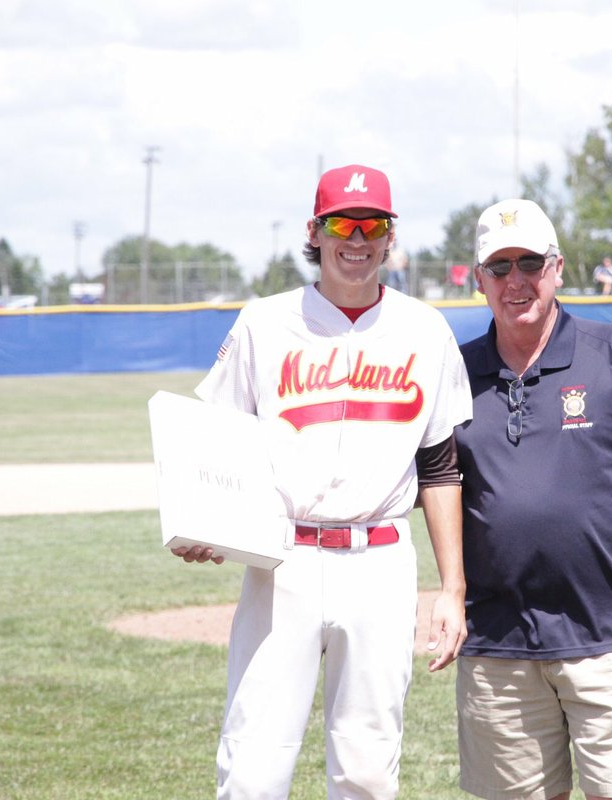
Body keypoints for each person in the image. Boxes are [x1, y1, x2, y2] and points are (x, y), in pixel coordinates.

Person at [173, 164, 473, 799]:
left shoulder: (425, 329)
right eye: (343, 223)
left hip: (382, 561)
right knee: (254, 768)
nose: (357, 239)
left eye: (374, 225)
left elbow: (441, 467)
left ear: (391, 236)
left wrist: (452, 589)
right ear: (315, 231)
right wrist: (204, 521)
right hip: (284, 563)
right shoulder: (264, 322)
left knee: (366, 771)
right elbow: (217, 436)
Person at [454, 199, 612, 800]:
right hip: (497, 644)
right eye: (500, 266)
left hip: (609, 637)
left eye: (530, 262)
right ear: (479, 278)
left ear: (557, 268)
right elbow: (417, 483)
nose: (517, 280)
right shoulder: (455, 375)